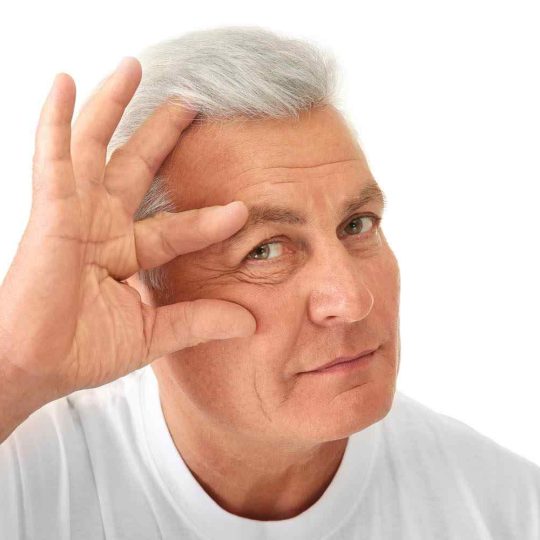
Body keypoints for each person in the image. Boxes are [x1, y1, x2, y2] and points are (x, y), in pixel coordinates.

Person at [0, 26, 538, 540]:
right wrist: (15, 368)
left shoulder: (509, 510)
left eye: (357, 225)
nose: (352, 300)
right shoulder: (26, 479)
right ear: (138, 283)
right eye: (265, 250)